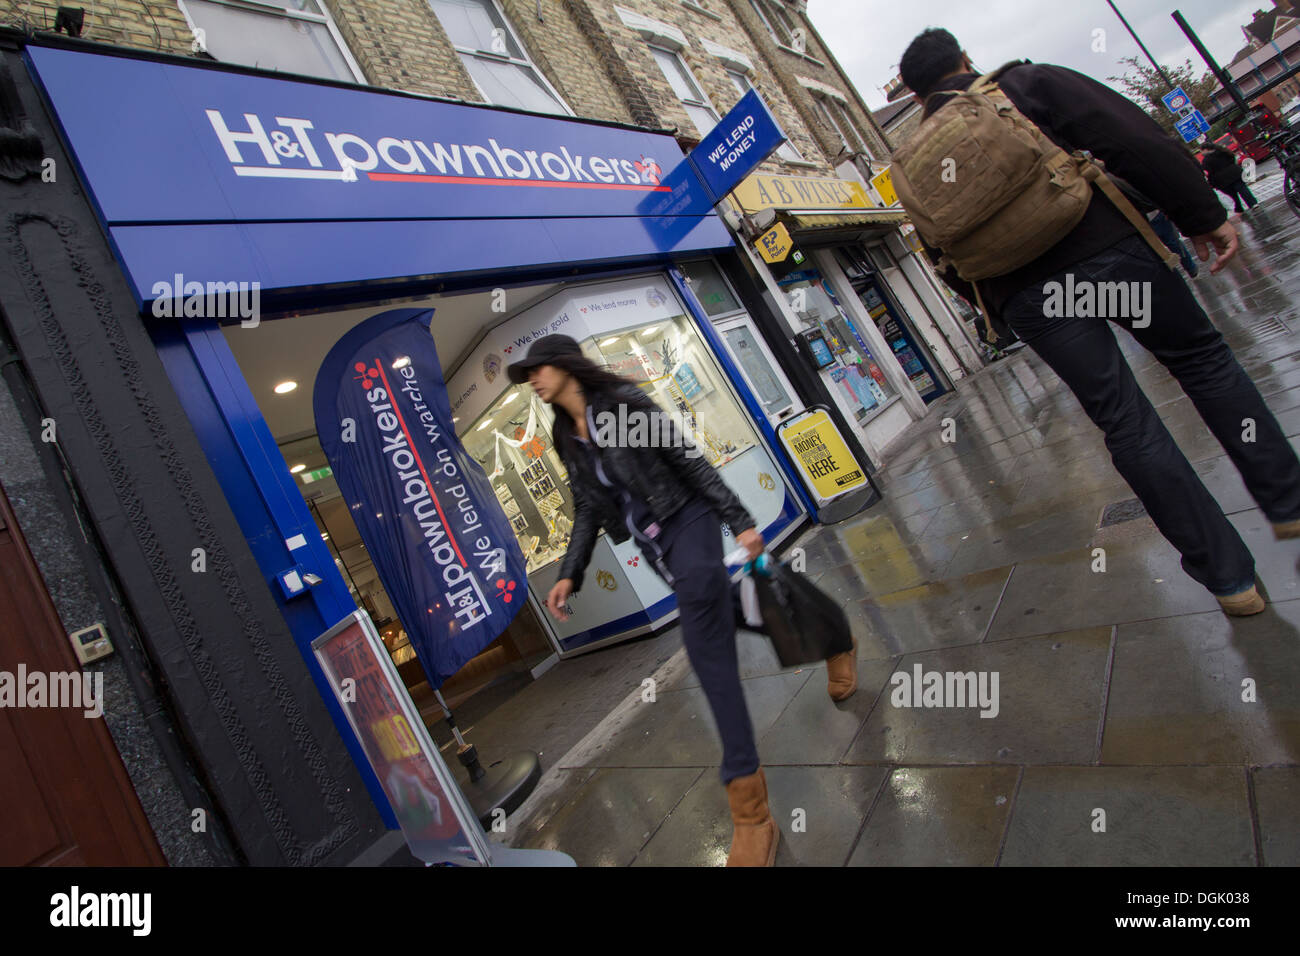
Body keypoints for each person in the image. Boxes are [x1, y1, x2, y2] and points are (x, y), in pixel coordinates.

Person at [896, 29, 1300, 615]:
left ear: (914, 97)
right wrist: (1201, 213)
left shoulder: (914, 162)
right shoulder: (1020, 86)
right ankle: (1287, 503)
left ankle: (1230, 581)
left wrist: (1004, 309)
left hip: (1030, 297)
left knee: (1126, 422)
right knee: (1201, 361)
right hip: (1107, 253)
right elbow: (1133, 138)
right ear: (963, 60)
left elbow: (941, 255)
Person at [505, 334, 859, 867]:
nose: (532, 380)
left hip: (687, 522)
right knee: (737, 607)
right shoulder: (568, 436)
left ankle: (752, 814)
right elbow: (585, 507)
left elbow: (687, 461)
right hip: (656, 548)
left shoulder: (620, 405)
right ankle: (835, 635)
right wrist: (570, 572)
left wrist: (739, 521)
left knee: (706, 649)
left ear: (565, 366)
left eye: (537, 369)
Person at [1201, 143, 1259, 213]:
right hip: (1235, 173)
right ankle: (1252, 203)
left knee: (1232, 194)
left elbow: (1207, 172)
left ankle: (1239, 207)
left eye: (1202, 150)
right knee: (1243, 189)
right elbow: (1232, 158)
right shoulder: (1223, 152)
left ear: (1206, 149)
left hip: (1222, 180)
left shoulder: (1206, 160)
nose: (1201, 153)